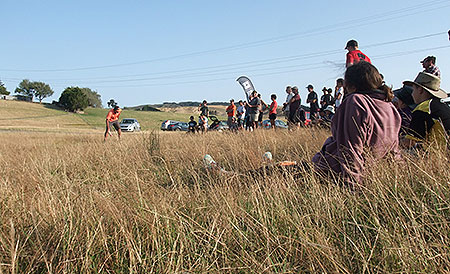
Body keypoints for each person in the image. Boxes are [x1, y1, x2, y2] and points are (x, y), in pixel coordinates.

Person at [312, 62, 401, 186]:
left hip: (336, 173)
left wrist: (353, 188)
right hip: (372, 173)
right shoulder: (389, 106)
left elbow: (350, 150)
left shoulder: (356, 102)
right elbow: (394, 152)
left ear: (350, 85)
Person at [402, 72, 450, 148]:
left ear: (420, 90)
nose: (412, 94)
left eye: (413, 90)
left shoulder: (424, 109)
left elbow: (409, 142)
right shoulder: (443, 106)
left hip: (438, 155)